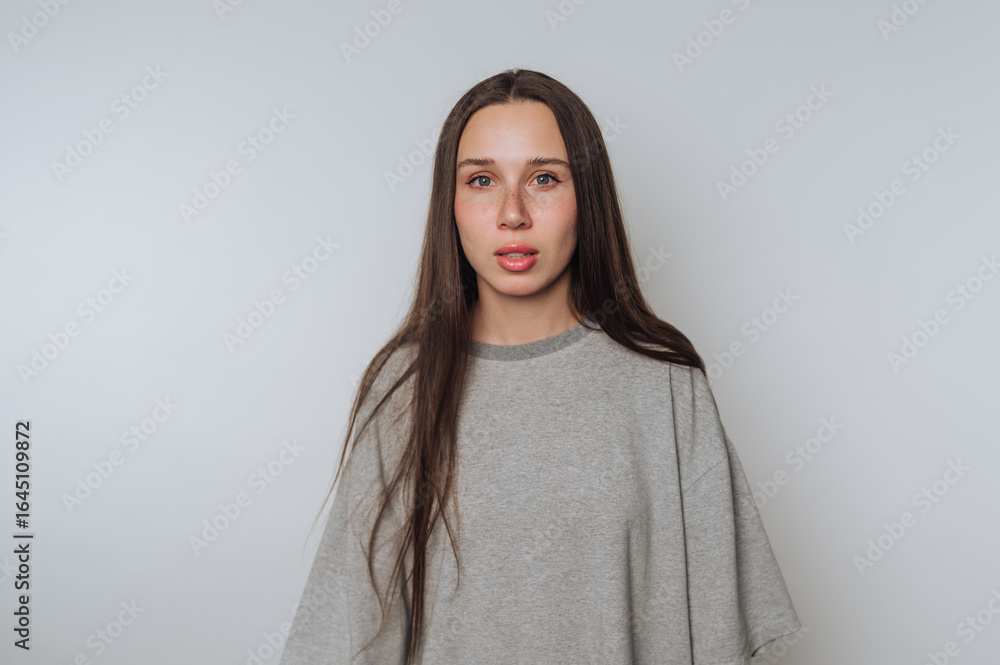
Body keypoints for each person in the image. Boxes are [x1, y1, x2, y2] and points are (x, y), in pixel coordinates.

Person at [278, 68, 801, 665]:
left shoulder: (666, 386)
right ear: (449, 205)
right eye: (481, 180)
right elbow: (343, 637)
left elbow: (719, 639)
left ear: (588, 198)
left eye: (544, 178)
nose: (512, 213)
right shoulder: (403, 388)